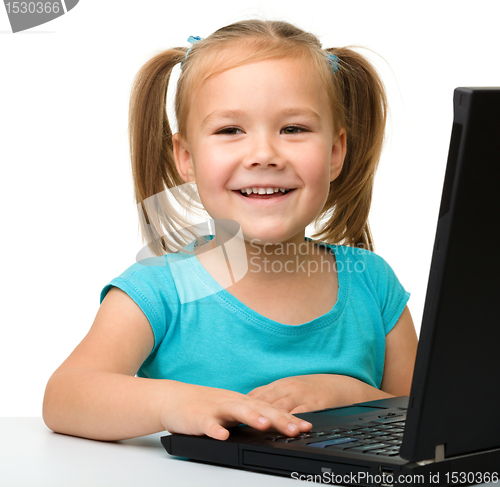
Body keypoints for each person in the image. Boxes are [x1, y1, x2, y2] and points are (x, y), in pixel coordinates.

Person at [42, 19, 418, 442]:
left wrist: (353, 394)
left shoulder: (372, 284)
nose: (263, 154)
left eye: (293, 129)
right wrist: (175, 404)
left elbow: (430, 415)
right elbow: (64, 397)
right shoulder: (161, 290)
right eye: (229, 130)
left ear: (334, 153)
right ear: (187, 157)